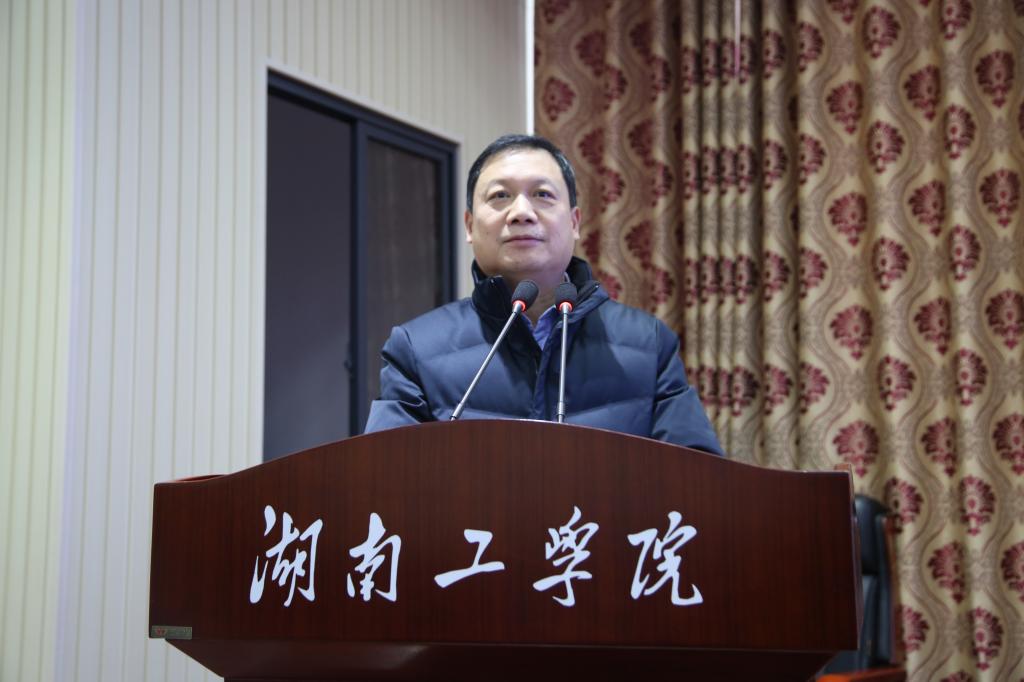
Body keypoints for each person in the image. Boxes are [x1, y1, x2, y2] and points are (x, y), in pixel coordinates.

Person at [363, 134, 723, 455]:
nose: (521, 212)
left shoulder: (648, 344)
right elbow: (381, 481)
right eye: (500, 196)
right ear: (470, 226)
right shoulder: (415, 349)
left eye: (542, 195)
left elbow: (697, 483)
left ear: (575, 223)